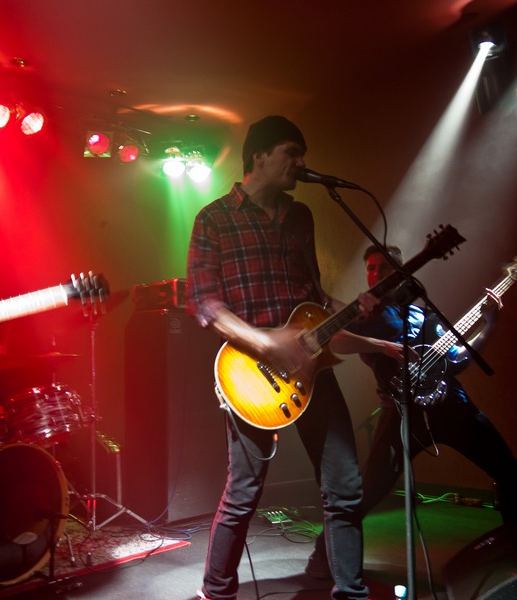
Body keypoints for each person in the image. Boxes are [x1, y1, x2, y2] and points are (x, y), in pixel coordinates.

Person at [186, 115, 407, 600]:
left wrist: (353, 309)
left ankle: (350, 592)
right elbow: (204, 303)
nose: (301, 162)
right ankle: (216, 593)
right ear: (260, 155)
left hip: (311, 370)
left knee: (345, 488)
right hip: (251, 372)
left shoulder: (300, 216)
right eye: (292, 152)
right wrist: (265, 343)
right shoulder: (214, 218)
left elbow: (313, 297)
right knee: (244, 492)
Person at [305, 244, 517, 579]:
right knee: (366, 491)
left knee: (512, 473)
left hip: (453, 406)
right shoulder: (366, 315)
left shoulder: (425, 313)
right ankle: (324, 558)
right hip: (402, 414)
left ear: (401, 272)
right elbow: (334, 339)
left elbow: (458, 359)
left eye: (383, 268)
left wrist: (489, 325)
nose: (375, 275)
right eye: (370, 268)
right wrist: (382, 346)